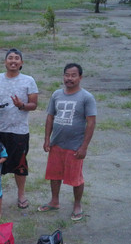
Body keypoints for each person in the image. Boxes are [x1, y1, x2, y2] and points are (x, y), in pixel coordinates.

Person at [38, 63, 96, 221]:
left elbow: (91, 123)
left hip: (75, 147)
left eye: (73, 75)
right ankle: (54, 201)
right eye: (67, 75)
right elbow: (50, 117)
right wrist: (46, 139)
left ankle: (77, 205)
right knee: (54, 175)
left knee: (76, 178)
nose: (69, 78)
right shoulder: (56, 94)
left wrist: (84, 147)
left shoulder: (86, 97)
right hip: (56, 144)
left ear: (80, 77)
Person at [0, 48, 38, 209]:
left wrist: (21, 105)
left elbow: (34, 104)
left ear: (21, 63)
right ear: (5, 62)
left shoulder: (28, 80)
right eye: (10, 58)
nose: (13, 61)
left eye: (17, 58)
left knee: (20, 164)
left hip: (19, 131)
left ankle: (21, 194)